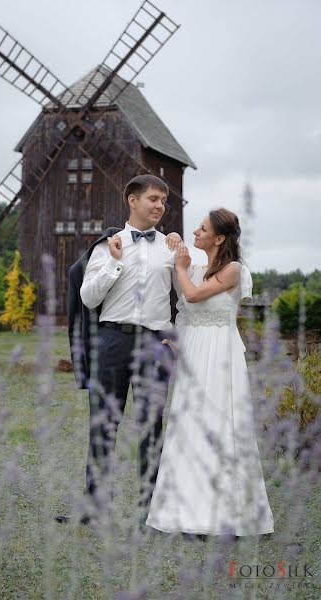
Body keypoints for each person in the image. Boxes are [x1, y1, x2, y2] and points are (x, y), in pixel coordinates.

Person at [56, 174, 182, 526]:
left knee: (151, 428)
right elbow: (87, 296)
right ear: (132, 200)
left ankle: (152, 513)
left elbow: (185, 297)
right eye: (153, 199)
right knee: (103, 425)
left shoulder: (171, 247)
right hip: (112, 341)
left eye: (163, 201)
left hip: (155, 344)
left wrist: (179, 336)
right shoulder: (106, 246)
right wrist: (114, 262)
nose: (159, 206)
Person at [146, 208, 275, 536]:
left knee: (219, 426)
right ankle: (187, 512)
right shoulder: (197, 266)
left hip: (220, 354)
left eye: (202, 229)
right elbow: (186, 311)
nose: (195, 232)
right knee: (189, 425)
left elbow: (191, 293)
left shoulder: (233, 270)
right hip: (195, 353)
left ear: (219, 238)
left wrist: (180, 266)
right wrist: (174, 241)